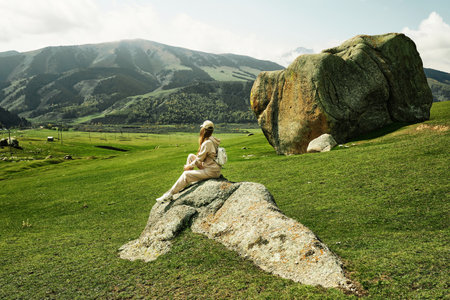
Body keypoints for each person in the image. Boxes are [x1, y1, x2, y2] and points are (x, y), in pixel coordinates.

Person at [156, 120, 222, 202]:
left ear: (203, 130)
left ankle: (169, 194)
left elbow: (199, 160)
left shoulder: (207, 143)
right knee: (191, 156)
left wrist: (189, 166)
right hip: (212, 167)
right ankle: (186, 183)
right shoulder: (212, 139)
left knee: (186, 174)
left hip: (211, 171)